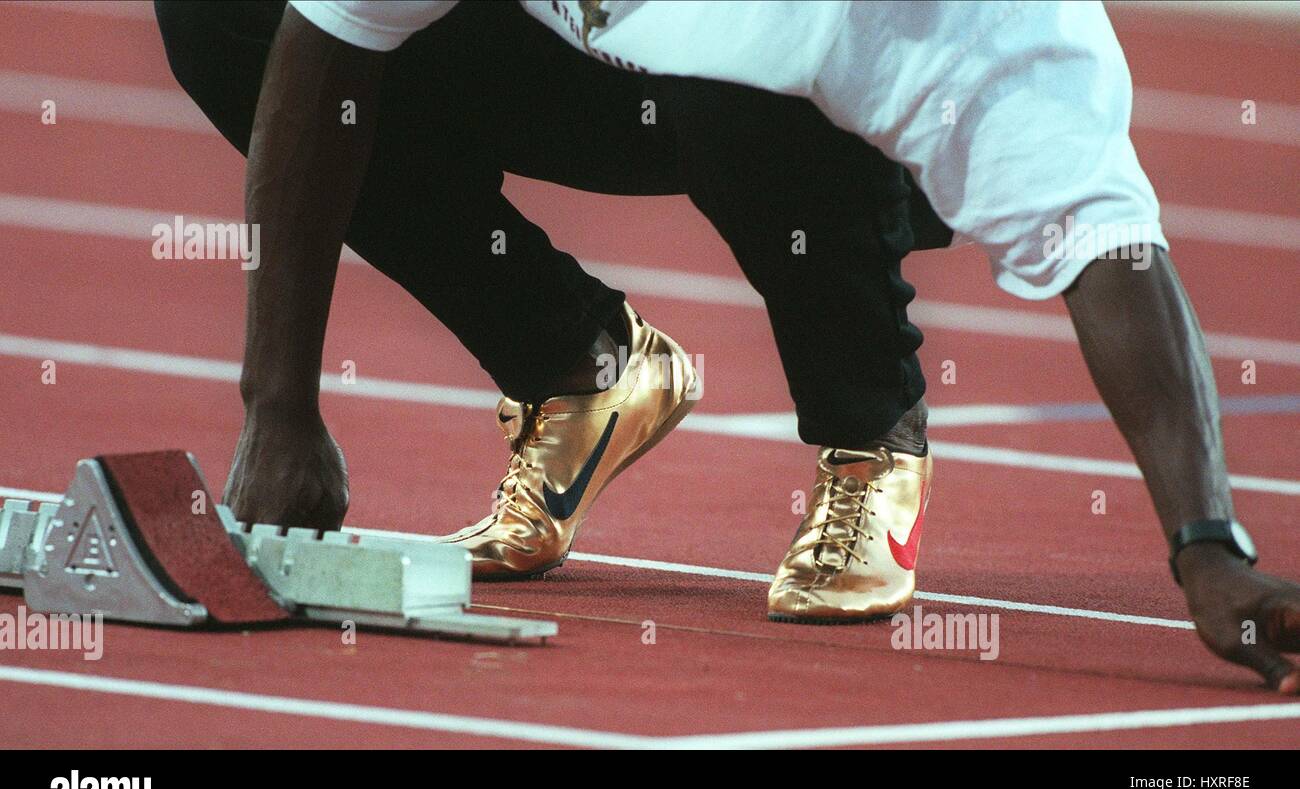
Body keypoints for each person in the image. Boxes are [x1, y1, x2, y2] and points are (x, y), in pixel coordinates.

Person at [156, 0, 1299, 692]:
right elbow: (329, 45)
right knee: (226, 14)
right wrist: (280, 406)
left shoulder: (983, 32)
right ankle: (582, 369)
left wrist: (1206, 546)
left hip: (784, 106)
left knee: (737, 102)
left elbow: (1112, 249)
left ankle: (872, 437)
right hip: (590, 58)